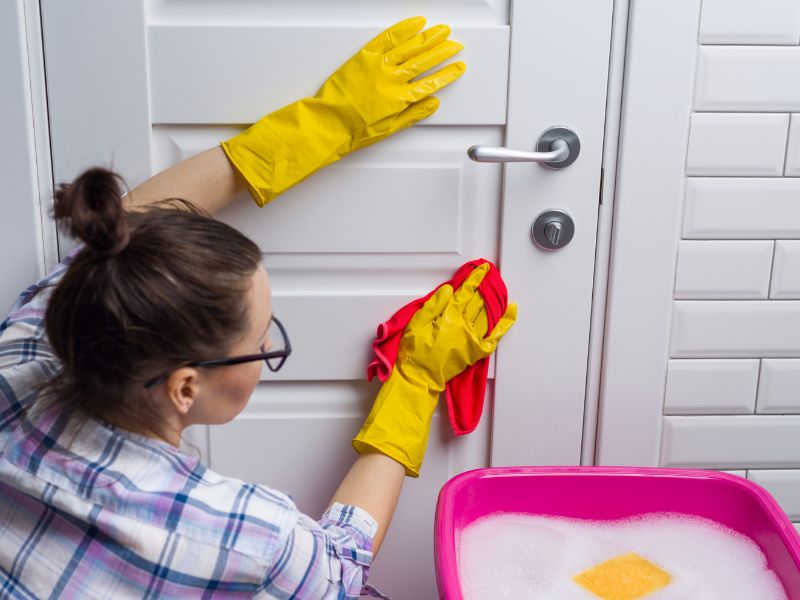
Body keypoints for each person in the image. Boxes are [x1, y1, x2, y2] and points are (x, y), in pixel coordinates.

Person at [0, 17, 515, 599]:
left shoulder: (22, 358)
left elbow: (125, 231)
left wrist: (322, 123)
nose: (268, 347)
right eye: (261, 341)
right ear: (185, 387)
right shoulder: (240, 536)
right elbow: (338, 571)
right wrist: (415, 385)